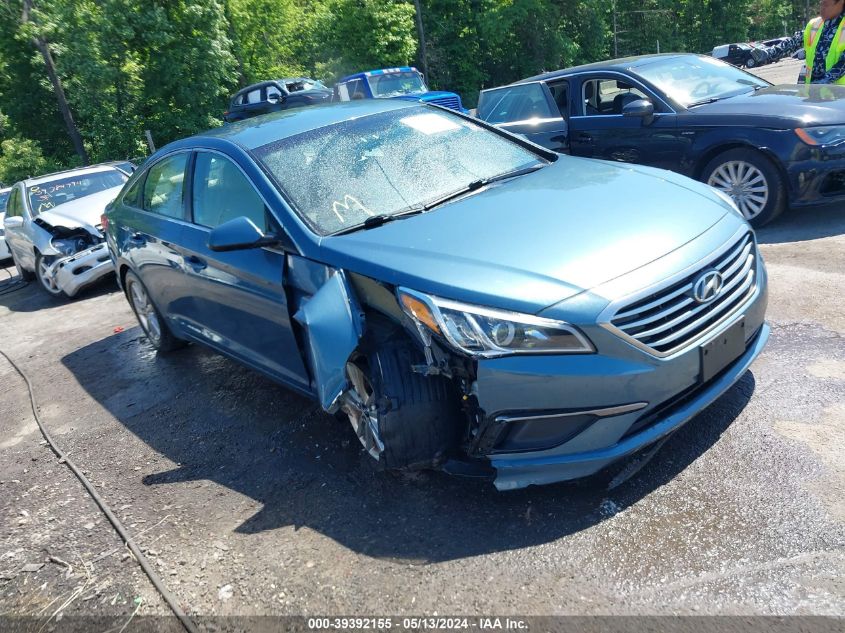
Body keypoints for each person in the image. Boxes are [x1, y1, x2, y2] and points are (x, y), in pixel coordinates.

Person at [774, 0, 845, 84]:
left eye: (826, 4)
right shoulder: (815, 24)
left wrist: (823, 82)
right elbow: (794, 41)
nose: (821, 9)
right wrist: (767, 53)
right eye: (821, 4)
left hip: (839, 94)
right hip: (813, 92)